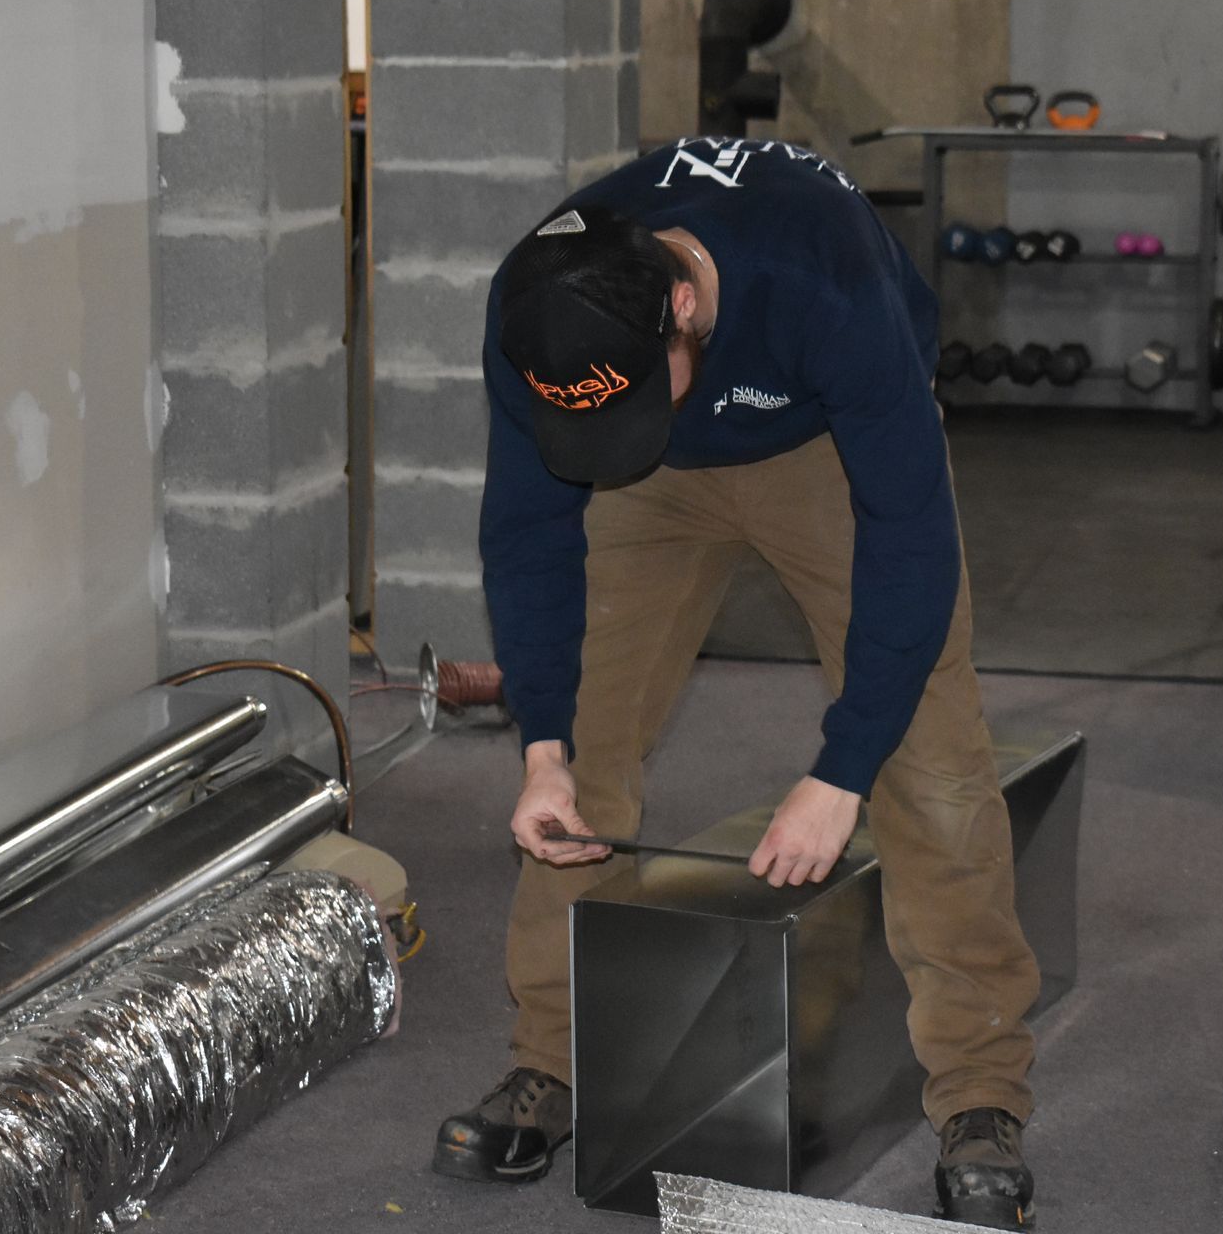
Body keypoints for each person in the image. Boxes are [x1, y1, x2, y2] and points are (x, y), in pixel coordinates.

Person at [430, 135, 1041, 1231]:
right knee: (588, 754)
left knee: (931, 761)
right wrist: (542, 749)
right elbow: (527, 532)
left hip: (819, 440)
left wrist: (840, 771)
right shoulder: (537, 313)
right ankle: (552, 1058)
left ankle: (980, 1089)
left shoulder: (825, 278)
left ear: (682, 303)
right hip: (658, 481)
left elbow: (910, 541)